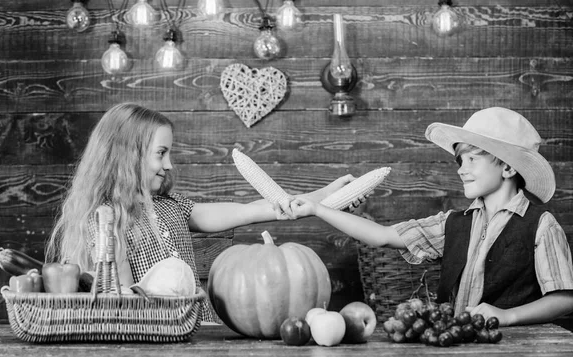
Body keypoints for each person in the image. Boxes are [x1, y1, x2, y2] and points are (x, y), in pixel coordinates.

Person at [45, 102, 353, 322]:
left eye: (170, 153)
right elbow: (126, 300)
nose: (168, 165)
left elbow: (252, 210)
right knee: (173, 272)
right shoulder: (107, 219)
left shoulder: (174, 206)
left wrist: (323, 196)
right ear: (127, 155)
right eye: (161, 154)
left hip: (200, 327)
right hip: (155, 331)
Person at [288, 107, 573, 326]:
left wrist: (508, 316)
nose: (462, 169)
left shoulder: (541, 226)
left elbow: (564, 299)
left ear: (509, 169)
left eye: (473, 159)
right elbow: (383, 236)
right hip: (459, 344)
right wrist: (318, 209)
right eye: (461, 161)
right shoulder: (454, 223)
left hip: (516, 349)